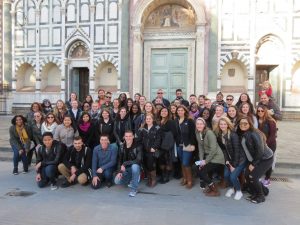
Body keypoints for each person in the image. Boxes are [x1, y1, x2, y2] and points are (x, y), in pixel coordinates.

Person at [236, 116, 274, 204]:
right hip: (254, 159)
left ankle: (260, 196)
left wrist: (253, 164)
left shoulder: (254, 134)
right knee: (247, 175)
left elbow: (260, 151)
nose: (243, 125)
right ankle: (261, 191)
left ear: (250, 124)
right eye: (241, 123)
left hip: (265, 158)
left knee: (253, 176)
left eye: (245, 123)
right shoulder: (243, 133)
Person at [215, 117, 246, 200]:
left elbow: (237, 151)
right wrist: (227, 161)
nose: (222, 126)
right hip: (230, 160)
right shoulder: (219, 136)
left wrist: (233, 165)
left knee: (232, 176)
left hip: (240, 160)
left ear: (228, 125)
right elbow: (224, 150)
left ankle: (239, 191)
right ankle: (232, 188)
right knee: (226, 175)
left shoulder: (233, 135)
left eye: (224, 124)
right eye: (221, 124)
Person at [195, 117, 224, 196]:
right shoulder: (197, 133)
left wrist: (205, 161)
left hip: (217, 157)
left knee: (202, 172)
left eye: (201, 124)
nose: (199, 125)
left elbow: (213, 149)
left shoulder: (209, 133)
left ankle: (215, 190)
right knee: (198, 168)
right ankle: (211, 187)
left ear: (204, 125)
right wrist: (201, 161)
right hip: (209, 157)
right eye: (197, 124)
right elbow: (200, 148)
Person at [114, 130, 143, 197]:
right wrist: (120, 171)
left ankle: (134, 189)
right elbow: (119, 161)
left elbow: (138, 160)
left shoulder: (138, 145)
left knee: (134, 167)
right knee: (117, 181)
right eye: (126, 136)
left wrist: (125, 163)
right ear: (124, 137)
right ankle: (132, 179)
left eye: (130, 136)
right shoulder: (121, 147)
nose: (128, 138)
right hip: (126, 169)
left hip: (136, 167)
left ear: (133, 136)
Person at [136, 113, 161, 187]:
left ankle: (153, 179)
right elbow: (139, 139)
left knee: (151, 165)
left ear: (153, 119)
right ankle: (149, 179)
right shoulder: (143, 128)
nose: (148, 120)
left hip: (152, 150)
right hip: (144, 149)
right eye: (147, 119)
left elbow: (158, 139)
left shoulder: (157, 128)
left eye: (150, 119)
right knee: (145, 164)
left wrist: (154, 147)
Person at [175, 105, 196, 189]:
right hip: (179, 145)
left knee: (186, 163)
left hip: (187, 145)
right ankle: (185, 178)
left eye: (181, 110)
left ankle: (190, 180)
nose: (180, 112)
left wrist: (193, 144)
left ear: (185, 111)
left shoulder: (189, 121)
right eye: (178, 110)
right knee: (182, 162)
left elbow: (192, 134)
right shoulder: (175, 121)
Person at [256, 105, 277, 186]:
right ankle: (259, 176)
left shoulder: (270, 121)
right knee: (260, 161)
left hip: (270, 145)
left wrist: (266, 145)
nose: (260, 112)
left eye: (262, 111)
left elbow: (272, 136)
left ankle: (267, 178)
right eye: (258, 111)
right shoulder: (257, 120)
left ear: (265, 111)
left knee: (268, 162)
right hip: (260, 145)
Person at [158, 107, 177, 183]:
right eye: (162, 111)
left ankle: (167, 176)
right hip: (159, 144)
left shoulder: (170, 122)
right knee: (161, 160)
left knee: (168, 160)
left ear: (168, 113)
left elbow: (174, 133)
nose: (164, 112)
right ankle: (163, 174)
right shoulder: (158, 122)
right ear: (160, 113)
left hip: (167, 145)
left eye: (165, 111)